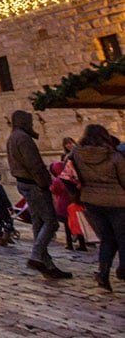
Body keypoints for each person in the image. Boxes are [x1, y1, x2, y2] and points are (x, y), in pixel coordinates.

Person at [6, 109, 71, 279]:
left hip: (24, 183)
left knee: (38, 222)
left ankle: (46, 263)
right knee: (51, 222)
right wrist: (44, 182)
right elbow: (34, 164)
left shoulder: (14, 137)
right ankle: (36, 256)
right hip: (34, 184)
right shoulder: (23, 138)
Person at [71, 124, 125, 291]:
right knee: (123, 238)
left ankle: (103, 273)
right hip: (117, 203)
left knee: (107, 239)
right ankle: (123, 270)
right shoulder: (114, 156)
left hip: (91, 202)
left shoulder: (77, 155)